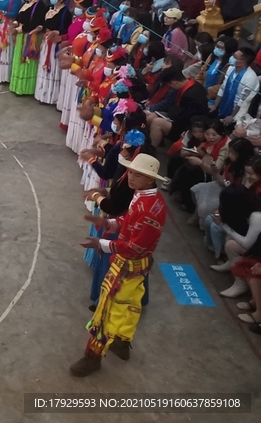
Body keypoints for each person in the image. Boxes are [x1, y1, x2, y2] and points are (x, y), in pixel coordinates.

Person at [71, 153, 167, 376]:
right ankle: (122, 342)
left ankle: (93, 356)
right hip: (138, 266)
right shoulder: (146, 197)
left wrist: (102, 244)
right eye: (131, 172)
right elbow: (129, 220)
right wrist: (111, 223)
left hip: (127, 264)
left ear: (150, 179)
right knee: (130, 306)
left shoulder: (148, 207)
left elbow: (135, 247)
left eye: (138, 174)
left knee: (105, 310)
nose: (131, 177)